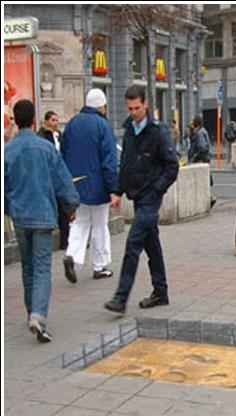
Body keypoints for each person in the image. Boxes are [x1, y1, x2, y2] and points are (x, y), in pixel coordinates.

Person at [4, 99, 80, 343]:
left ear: (16, 121)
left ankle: (31, 312)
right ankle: (38, 315)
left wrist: (9, 209)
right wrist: (71, 205)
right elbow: (62, 181)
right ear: (34, 119)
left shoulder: (8, 150)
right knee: (42, 267)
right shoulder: (46, 149)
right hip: (43, 215)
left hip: (20, 217)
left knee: (27, 266)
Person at [104, 85, 179, 314]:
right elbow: (126, 164)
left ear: (146, 105)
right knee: (151, 244)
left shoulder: (158, 132)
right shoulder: (129, 130)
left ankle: (120, 297)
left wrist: (156, 190)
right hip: (136, 195)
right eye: (130, 108)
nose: (134, 112)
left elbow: (172, 166)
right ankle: (161, 291)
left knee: (133, 244)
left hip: (150, 199)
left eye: (137, 108)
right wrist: (117, 191)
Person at [60, 88, 120, 284]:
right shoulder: (103, 126)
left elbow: (63, 153)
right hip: (98, 185)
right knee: (100, 225)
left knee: (79, 223)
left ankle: (72, 255)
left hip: (76, 183)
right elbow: (109, 160)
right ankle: (99, 266)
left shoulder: (72, 123)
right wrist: (113, 189)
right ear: (102, 106)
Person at [37, 110, 70, 250]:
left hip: (59, 174)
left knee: (63, 208)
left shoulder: (59, 135)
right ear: (46, 121)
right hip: (48, 176)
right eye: (52, 120)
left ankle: (65, 240)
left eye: (56, 120)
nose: (55, 123)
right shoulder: (41, 137)